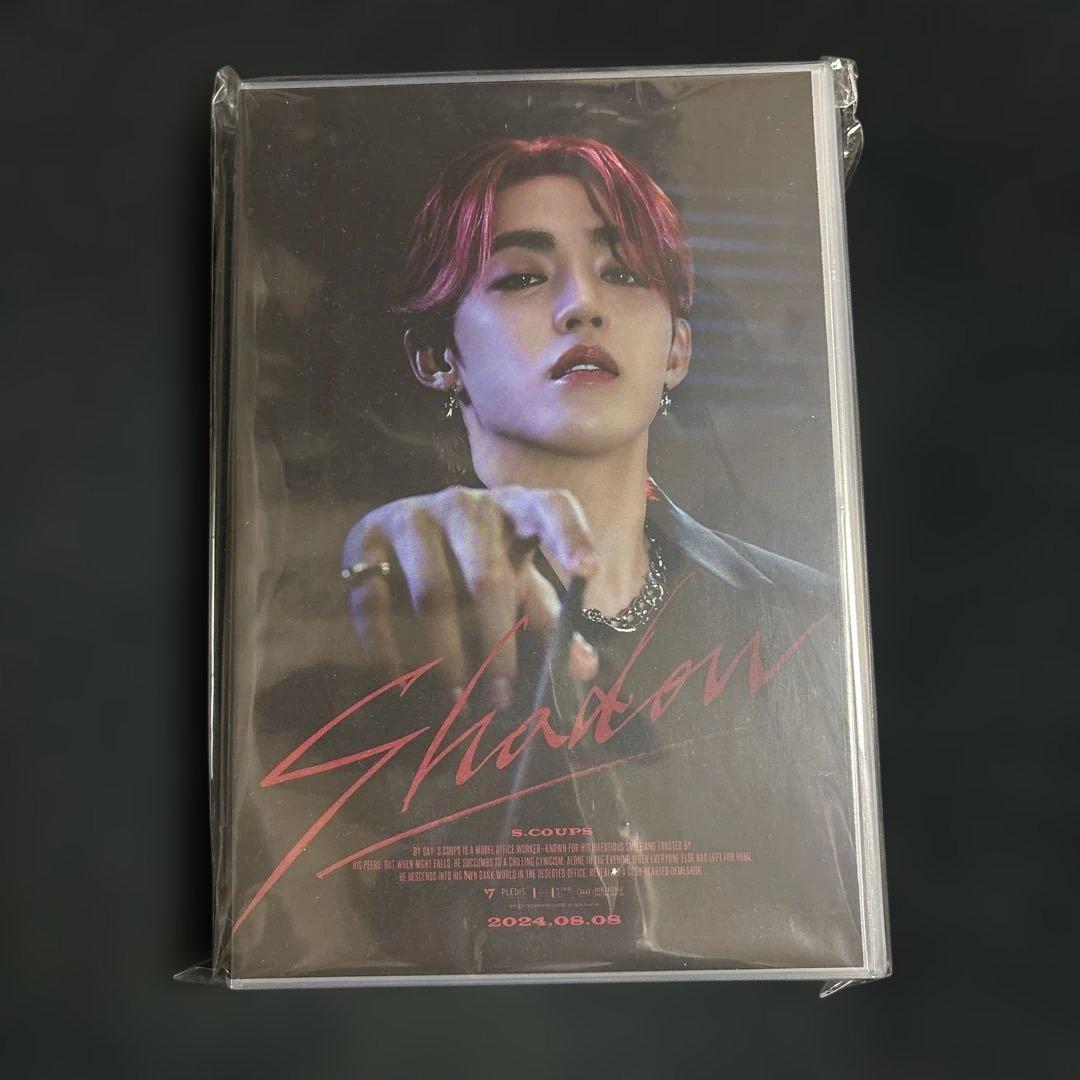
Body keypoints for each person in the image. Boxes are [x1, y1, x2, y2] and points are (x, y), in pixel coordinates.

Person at [231, 135, 862, 978]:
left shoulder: (814, 617)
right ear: (438, 356)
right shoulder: (362, 589)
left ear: (678, 348)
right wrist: (369, 569)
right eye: (522, 277)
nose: (581, 306)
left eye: (624, 273)